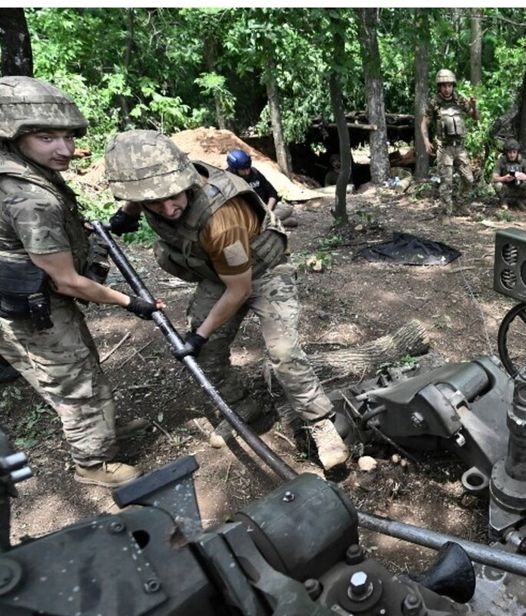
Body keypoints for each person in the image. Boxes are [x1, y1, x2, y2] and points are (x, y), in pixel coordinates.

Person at [105, 130, 348, 470]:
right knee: (207, 353)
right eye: (153, 203)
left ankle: (320, 423)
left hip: (263, 272)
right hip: (218, 275)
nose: (168, 208)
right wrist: (128, 213)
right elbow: (147, 190)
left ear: (184, 181)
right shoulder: (156, 185)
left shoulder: (220, 216)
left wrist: (198, 333)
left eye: (173, 197)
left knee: (284, 353)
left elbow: (240, 290)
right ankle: (242, 405)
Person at [0, 77, 164, 488]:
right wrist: (131, 304)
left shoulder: (23, 172)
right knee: (75, 380)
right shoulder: (28, 198)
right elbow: (68, 281)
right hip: (37, 304)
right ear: (13, 136)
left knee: (80, 370)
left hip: (27, 294)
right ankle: (92, 462)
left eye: (68, 137)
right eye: (47, 137)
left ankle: (102, 432)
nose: (66, 149)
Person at [420, 68, 478, 217]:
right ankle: (446, 213)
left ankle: (459, 205)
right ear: (439, 86)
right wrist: (426, 141)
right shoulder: (434, 102)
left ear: (453, 86)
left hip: (459, 148)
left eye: (450, 85)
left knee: (469, 180)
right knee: (447, 183)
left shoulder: (459, 99)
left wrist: (473, 106)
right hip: (444, 148)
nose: (447, 89)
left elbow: (474, 117)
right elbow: (424, 123)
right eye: (444, 85)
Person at [225, 148, 296, 228]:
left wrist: (268, 211)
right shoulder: (227, 180)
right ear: (234, 169)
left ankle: (267, 223)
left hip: (266, 210)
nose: (247, 172)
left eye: (248, 168)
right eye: (243, 170)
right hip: (247, 215)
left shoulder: (255, 173)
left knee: (287, 208)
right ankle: (277, 223)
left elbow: (272, 192)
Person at [491, 139, 526, 210]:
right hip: (506, 188)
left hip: (519, 187)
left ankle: (520, 200)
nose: (512, 155)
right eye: (510, 152)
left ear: (517, 152)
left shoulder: (523, 162)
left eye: (514, 152)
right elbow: (493, 177)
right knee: (497, 185)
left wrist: (525, 177)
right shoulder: (501, 161)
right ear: (506, 153)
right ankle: (503, 200)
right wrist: (504, 178)